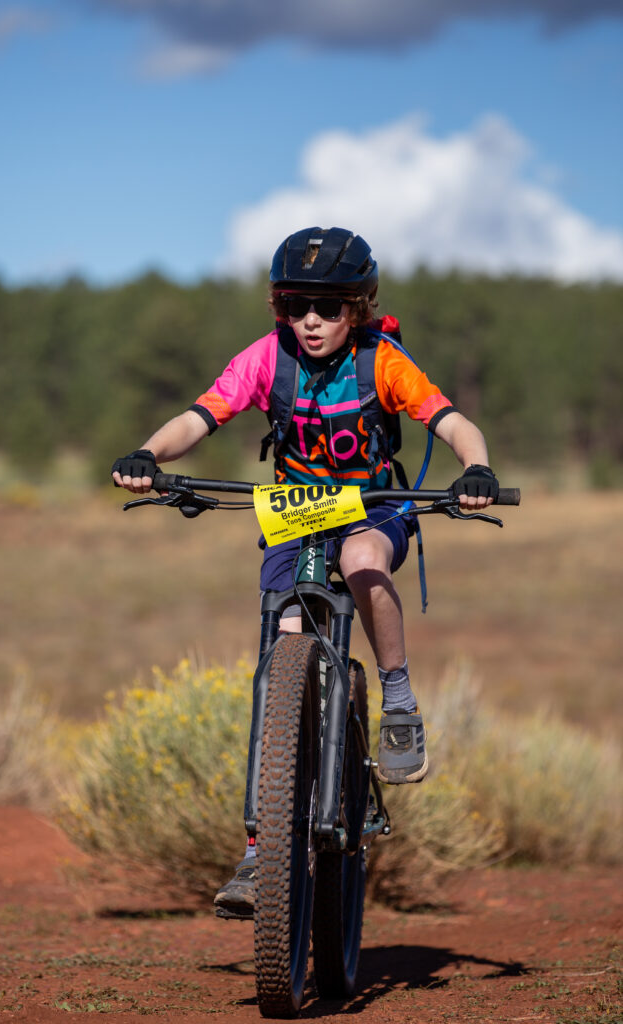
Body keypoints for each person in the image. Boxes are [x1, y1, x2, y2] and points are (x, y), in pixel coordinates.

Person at [112, 226, 499, 917]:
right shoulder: (268, 358)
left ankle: (398, 697)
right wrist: (147, 454)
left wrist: (477, 468)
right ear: (279, 308)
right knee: (283, 639)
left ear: (358, 308)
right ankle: (261, 846)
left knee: (360, 561)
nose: (310, 321)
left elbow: (451, 422)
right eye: (295, 306)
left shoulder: (382, 362)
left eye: (327, 307)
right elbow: (200, 416)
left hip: (371, 507)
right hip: (297, 514)